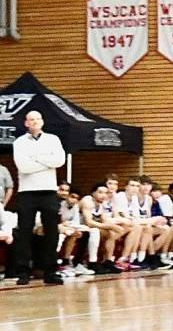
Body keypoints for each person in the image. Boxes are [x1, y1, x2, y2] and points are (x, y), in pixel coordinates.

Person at [12, 111, 65, 286]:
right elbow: (23, 166)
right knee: (24, 232)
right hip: (27, 191)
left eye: (38, 119)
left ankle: (50, 271)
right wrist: (46, 161)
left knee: (51, 231)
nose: (35, 122)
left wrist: (36, 158)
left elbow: (59, 160)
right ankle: (23, 271)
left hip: (48, 191)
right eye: (31, 119)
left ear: (42, 121)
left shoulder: (53, 139)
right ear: (26, 123)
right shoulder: (19, 142)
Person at [78, 183, 123, 274]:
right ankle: (92, 262)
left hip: (88, 228)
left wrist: (114, 226)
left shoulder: (100, 203)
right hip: (79, 226)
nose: (103, 195)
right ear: (93, 193)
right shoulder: (87, 201)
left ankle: (108, 261)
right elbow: (89, 223)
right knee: (95, 231)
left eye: (106, 193)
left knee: (111, 233)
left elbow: (104, 220)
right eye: (100, 192)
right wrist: (110, 226)